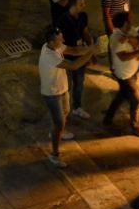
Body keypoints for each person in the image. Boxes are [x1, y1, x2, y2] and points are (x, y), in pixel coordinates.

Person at [38, 26, 98, 168]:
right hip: (52, 94)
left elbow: (73, 50)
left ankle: (58, 132)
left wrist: (89, 49)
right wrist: (91, 53)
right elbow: (74, 65)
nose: (63, 40)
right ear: (52, 43)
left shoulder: (54, 46)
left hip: (62, 89)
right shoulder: (49, 56)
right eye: (60, 39)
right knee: (59, 122)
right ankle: (54, 154)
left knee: (65, 113)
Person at [102, 12, 139, 137]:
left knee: (121, 95)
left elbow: (138, 41)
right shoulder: (115, 38)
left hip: (132, 72)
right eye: (129, 20)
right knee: (137, 100)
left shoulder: (129, 31)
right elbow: (123, 57)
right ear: (124, 23)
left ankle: (108, 117)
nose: (131, 22)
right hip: (123, 75)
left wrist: (129, 39)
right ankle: (135, 126)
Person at [56, 0, 94, 119]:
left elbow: (85, 31)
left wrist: (91, 46)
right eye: (81, 4)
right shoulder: (62, 20)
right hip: (67, 56)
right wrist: (84, 52)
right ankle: (62, 111)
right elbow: (59, 44)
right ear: (72, 5)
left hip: (80, 55)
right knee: (66, 85)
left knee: (79, 83)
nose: (84, 6)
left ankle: (77, 107)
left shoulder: (83, 16)